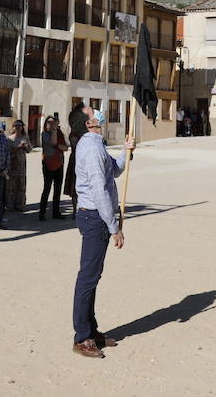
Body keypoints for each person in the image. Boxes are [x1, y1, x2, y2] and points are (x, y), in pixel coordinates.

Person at [71, 111, 134, 358]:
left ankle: (91, 330)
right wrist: (114, 227)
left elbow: (115, 171)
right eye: (92, 112)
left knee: (93, 277)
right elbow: (99, 191)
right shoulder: (92, 149)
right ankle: (82, 337)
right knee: (88, 278)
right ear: (89, 123)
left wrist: (126, 152)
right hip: (94, 217)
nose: (99, 113)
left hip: (96, 216)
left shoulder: (97, 145)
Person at [39, 115, 68, 221]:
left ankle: (56, 212)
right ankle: (42, 213)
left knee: (57, 190)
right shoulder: (45, 134)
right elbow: (54, 142)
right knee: (46, 189)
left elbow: (65, 147)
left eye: (53, 122)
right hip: (48, 163)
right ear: (45, 124)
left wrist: (59, 146)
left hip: (59, 163)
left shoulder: (59, 133)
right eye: (49, 122)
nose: (51, 124)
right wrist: (55, 129)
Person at [63, 101, 91, 212]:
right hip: (76, 161)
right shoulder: (74, 135)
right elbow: (76, 146)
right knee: (74, 186)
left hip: (83, 160)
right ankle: (75, 209)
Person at [5, 119, 32, 211]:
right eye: (16, 125)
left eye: (19, 126)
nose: (18, 127)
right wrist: (18, 147)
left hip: (22, 164)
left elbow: (29, 150)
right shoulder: (9, 138)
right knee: (11, 185)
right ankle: (10, 205)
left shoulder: (25, 138)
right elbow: (8, 151)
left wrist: (25, 147)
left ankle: (20, 204)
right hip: (12, 163)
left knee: (21, 184)